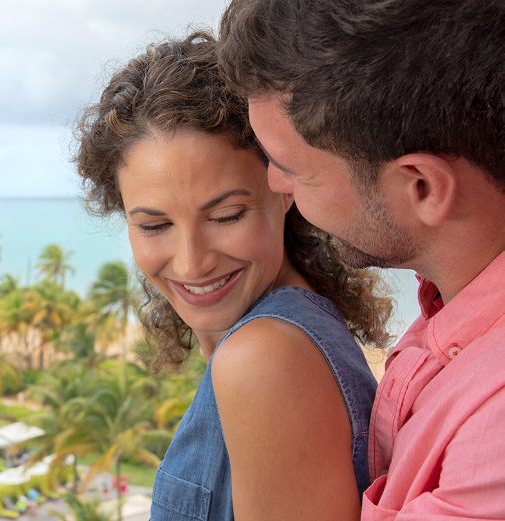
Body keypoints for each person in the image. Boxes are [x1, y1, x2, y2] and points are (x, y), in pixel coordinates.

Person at [75, 31, 392, 520]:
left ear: (285, 188)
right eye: (154, 225)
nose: (191, 262)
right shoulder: (270, 333)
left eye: (226, 217)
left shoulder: (263, 357)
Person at [218, 1, 505, 518]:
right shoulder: (453, 300)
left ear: (419, 185)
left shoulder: (494, 438)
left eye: (292, 169)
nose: (274, 184)